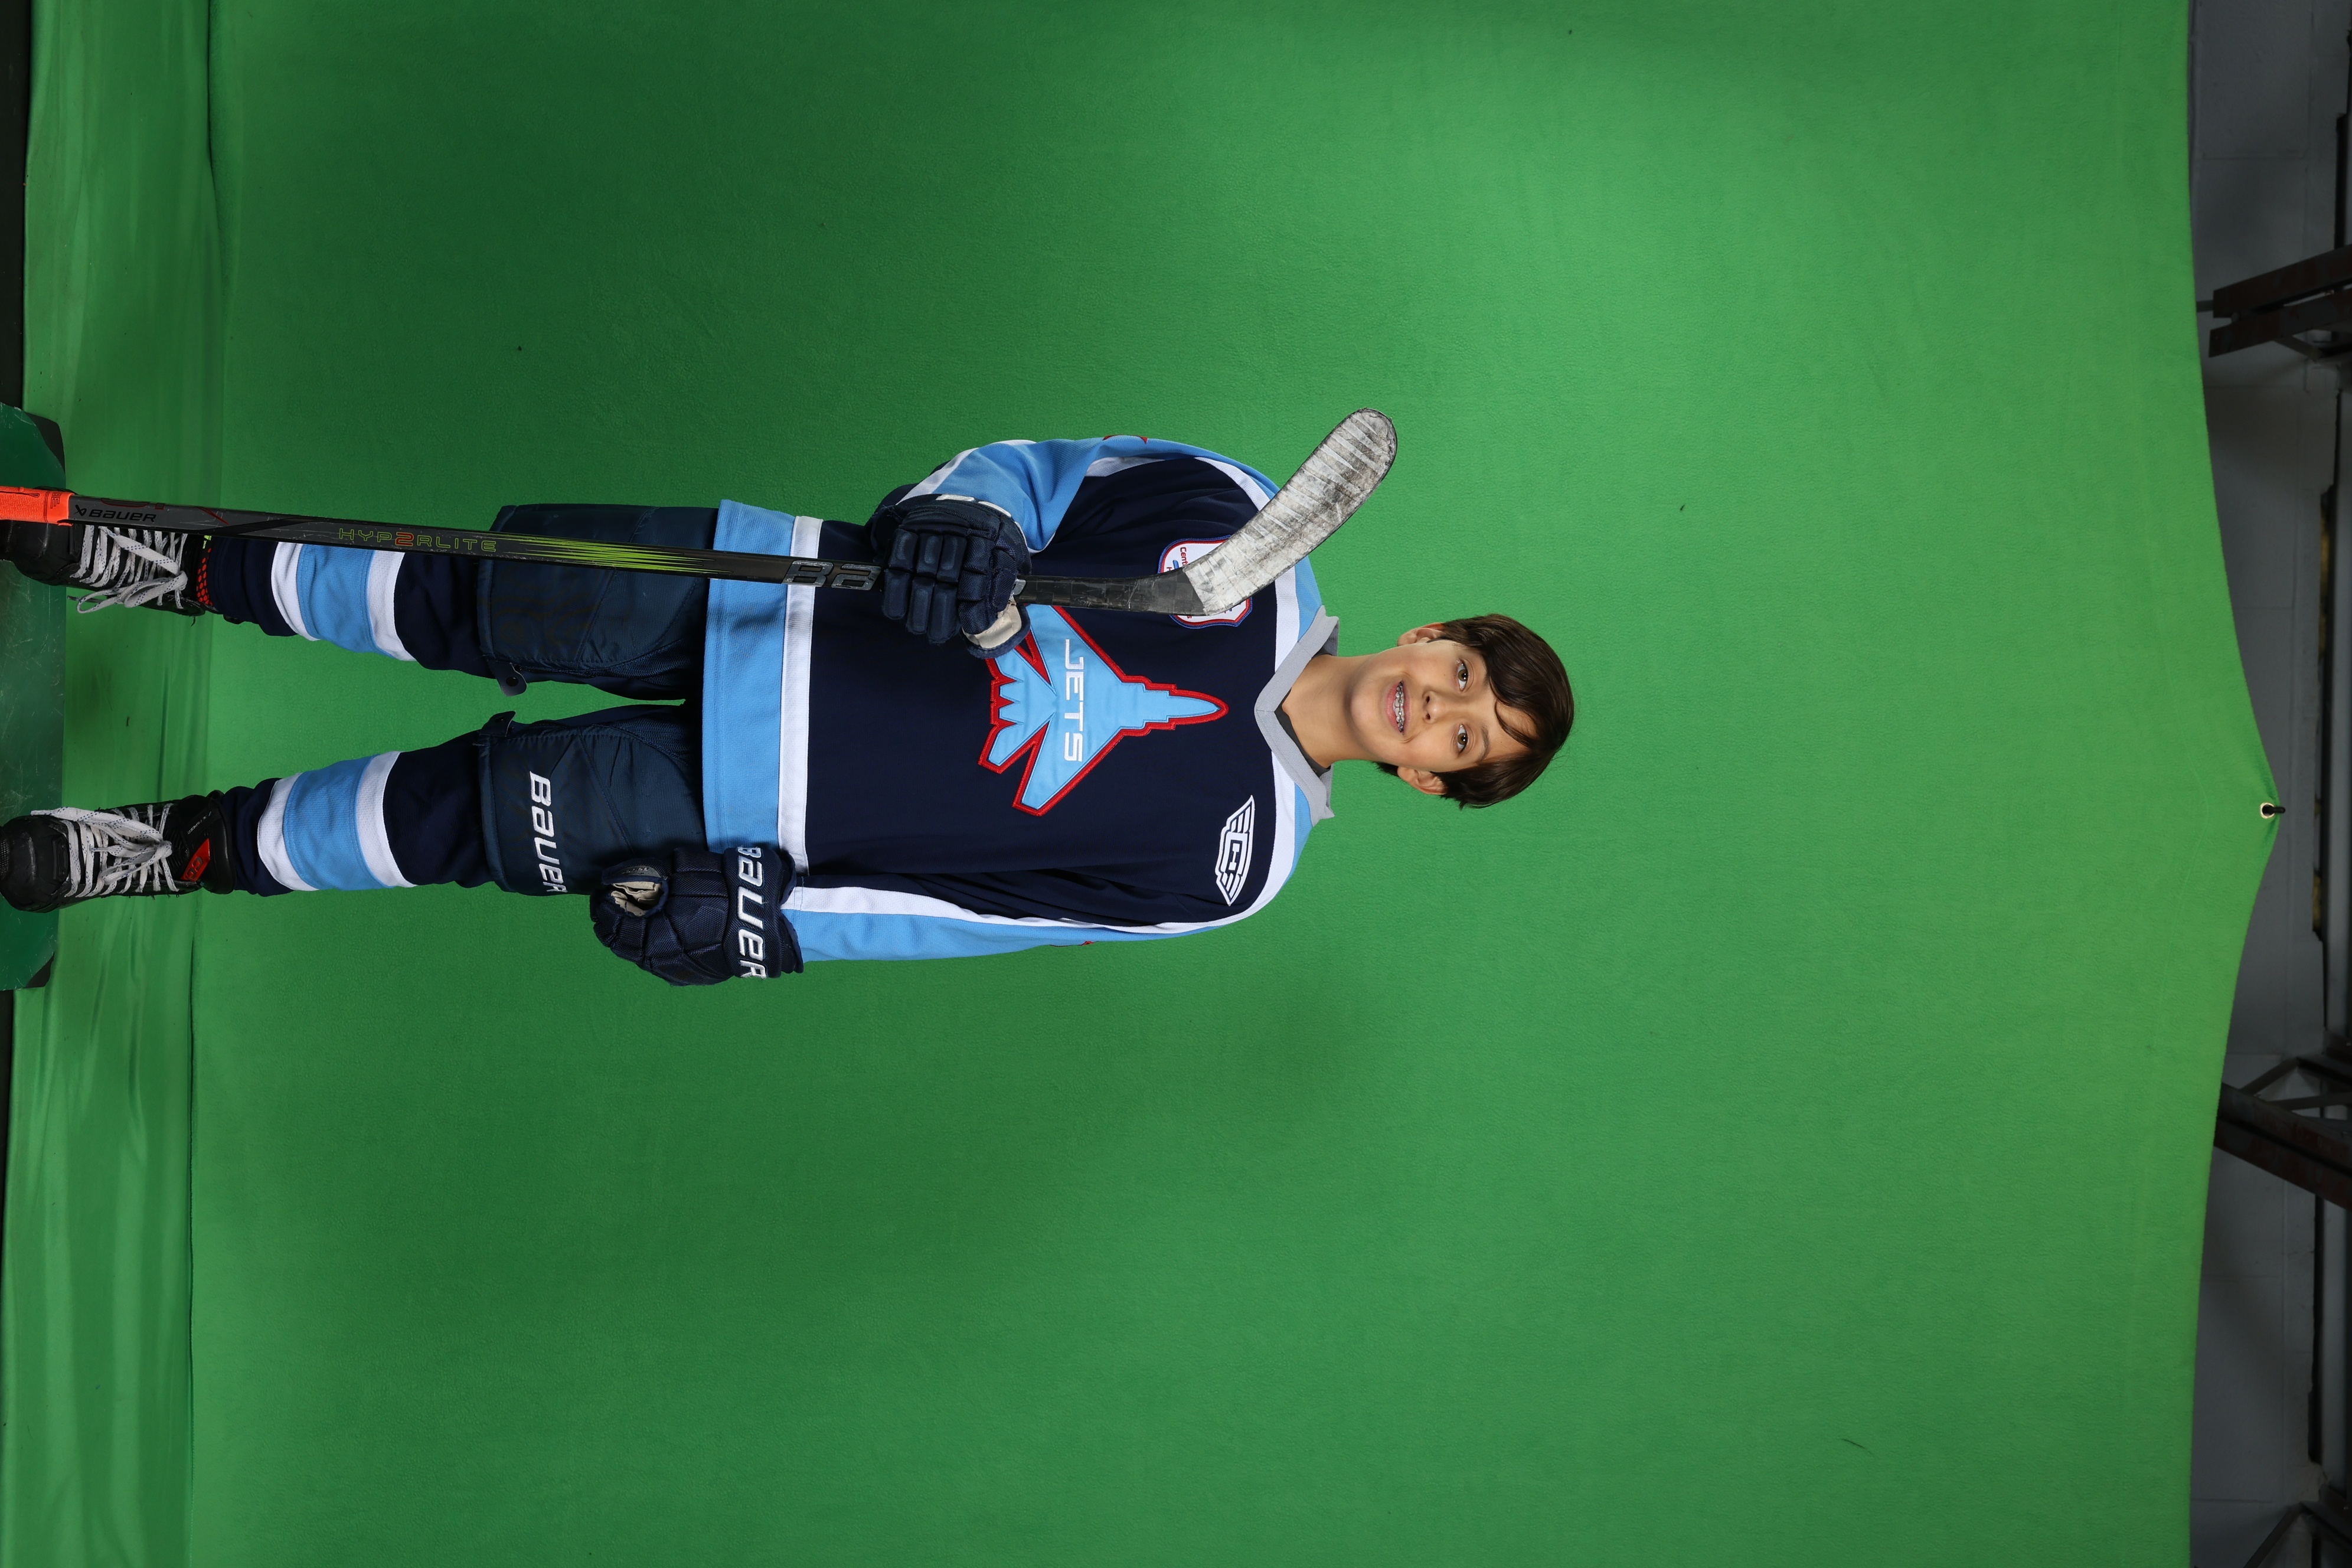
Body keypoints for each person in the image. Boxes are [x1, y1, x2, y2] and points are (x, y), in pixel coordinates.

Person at [0, 435, 1574, 983]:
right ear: (1431, 633)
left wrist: (775, 925)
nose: (1438, 706)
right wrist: (963, 519)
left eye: (1464, 738)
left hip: (760, 807)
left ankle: (171, 849)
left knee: (443, 826)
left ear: (1430, 784)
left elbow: (990, 914)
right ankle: (175, 567)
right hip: (776, 592)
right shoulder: (1234, 518)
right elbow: (1027, 474)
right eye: (1463, 674)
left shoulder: (1238, 866)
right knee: (459, 594)